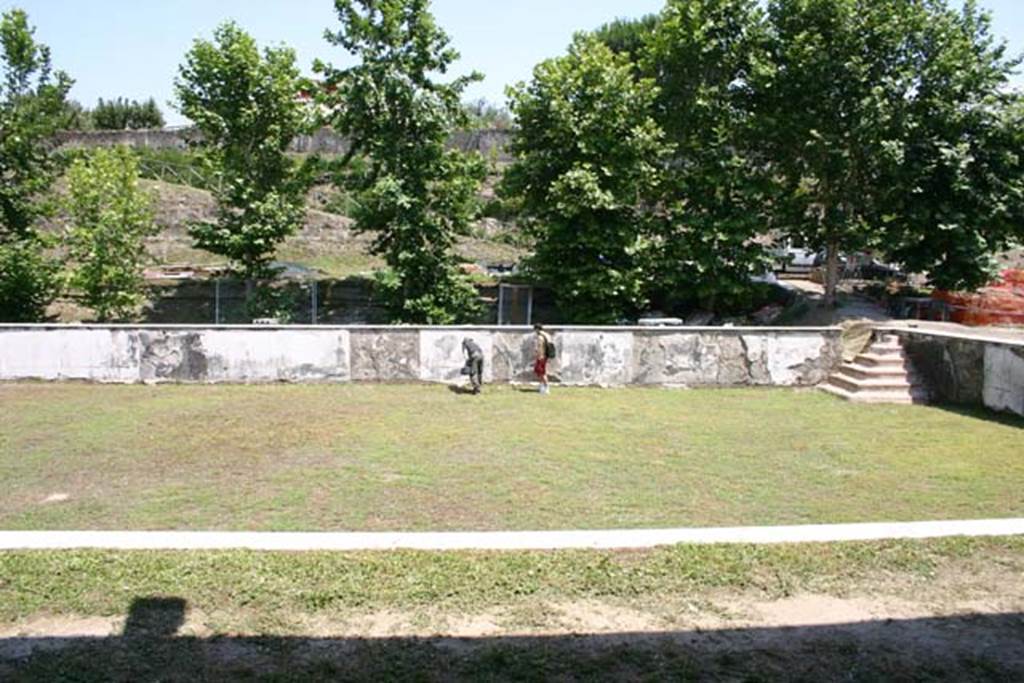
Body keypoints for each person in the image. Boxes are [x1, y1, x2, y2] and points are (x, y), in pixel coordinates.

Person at [533, 324, 554, 394]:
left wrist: (539, 355)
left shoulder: (540, 337)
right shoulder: (547, 335)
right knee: (539, 371)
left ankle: (546, 387)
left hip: (542, 356)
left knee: (542, 372)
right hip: (546, 356)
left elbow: (540, 347)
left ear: (537, 329)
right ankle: (542, 385)